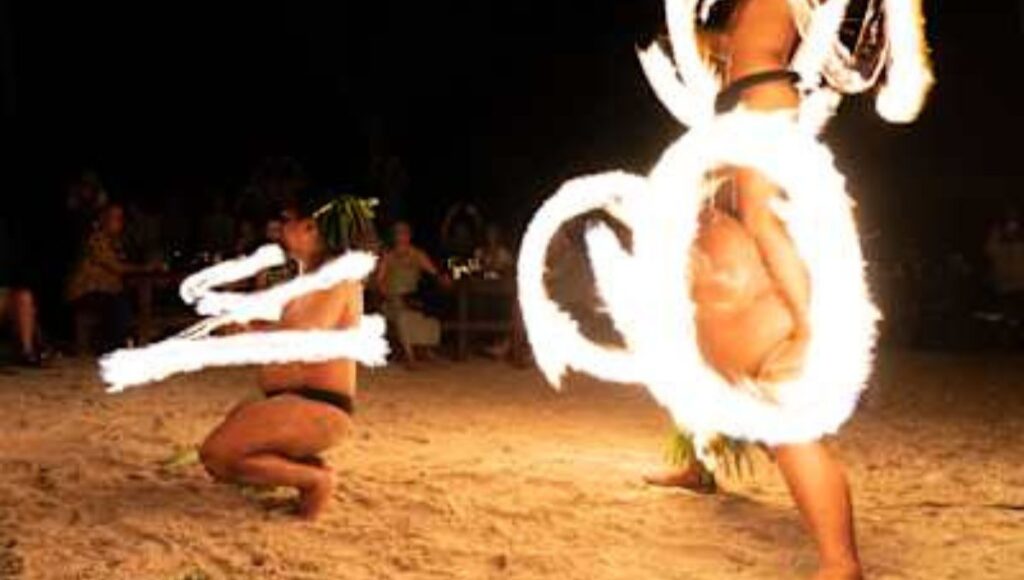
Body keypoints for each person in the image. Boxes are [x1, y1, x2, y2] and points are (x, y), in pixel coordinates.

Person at [645, 2, 863, 578]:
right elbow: (722, 44)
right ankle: (701, 460)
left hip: (760, 101)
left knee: (781, 411)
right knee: (705, 327)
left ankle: (840, 564)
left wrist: (811, 329)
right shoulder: (738, 17)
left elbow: (770, 223)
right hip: (736, 110)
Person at [199, 195, 363, 520]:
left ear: (311, 228)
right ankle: (305, 468)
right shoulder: (307, 283)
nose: (281, 229)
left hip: (318, 405)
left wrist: (253, 331)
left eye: (288, 221)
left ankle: (316, 481)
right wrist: (244, 328)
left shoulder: (337, 279)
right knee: (222, 459)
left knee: (218, 455)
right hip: (291, 400)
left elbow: (302, 337)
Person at [66, 203, 154, 352]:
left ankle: (125, 339)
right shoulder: (96, 239)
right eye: (115, 218)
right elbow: (117, 267)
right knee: (117, 303)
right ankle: (116, 344)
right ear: (102, 219)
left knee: (129, 299)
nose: (120, 223)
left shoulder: (116, 242)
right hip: (86, 291)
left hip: (105, 291)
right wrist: (146, 268)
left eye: (121, 218)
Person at [376, 221, 449, 368]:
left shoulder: (417, 254)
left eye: (405, 232)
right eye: (399, 233)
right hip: (393, 299)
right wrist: (387, 294)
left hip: (413, 298)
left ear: (410, 235)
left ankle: (427, 350)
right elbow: (379, 281)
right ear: (394, 236)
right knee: (401, 314)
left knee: (429, 313)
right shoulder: (388, 256)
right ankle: (410, 356)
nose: (402, 236)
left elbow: (434, 273)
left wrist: (443, 279)